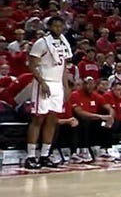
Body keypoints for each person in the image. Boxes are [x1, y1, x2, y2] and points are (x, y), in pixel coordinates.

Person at [24, 16, 73, 169]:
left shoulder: (64, 42)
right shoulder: (41, 43)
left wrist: (66, 87)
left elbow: (63, 67)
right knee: (38, 119)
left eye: (60, 26)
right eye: (55, 26)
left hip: (57, 84)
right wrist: (42, 83)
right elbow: (32, 66)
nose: (58, 28)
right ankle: (30, 156)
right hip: (43, 83)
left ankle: (45, 155)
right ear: (50, 27)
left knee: (52, 119)